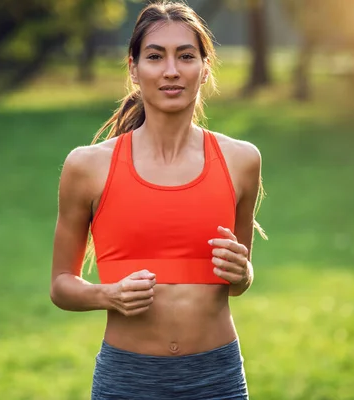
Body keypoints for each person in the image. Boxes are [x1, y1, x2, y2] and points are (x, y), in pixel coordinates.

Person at [50, 2, 265, 399]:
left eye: (186, 56)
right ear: (133, 68)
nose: (171, 70)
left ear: (204, 68)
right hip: (127, 379)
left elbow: (235, 284)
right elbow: (61, 285)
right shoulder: (87, 166)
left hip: (216, 379)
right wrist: (106, 294)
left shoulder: (241, 161)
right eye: (155, 56)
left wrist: (244, 274)